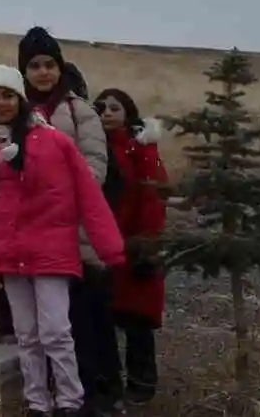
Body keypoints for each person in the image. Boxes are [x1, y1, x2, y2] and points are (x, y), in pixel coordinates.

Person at [0, 65, 126, 417]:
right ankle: (38, 402)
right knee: (27, 335)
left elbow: (88, 195)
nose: (1, 103)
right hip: (10, 253)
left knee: (56, 331)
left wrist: (109, 247)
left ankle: (70, 400)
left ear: (20, 98)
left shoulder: (54, 140)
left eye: (7, 95)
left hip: (52, 251)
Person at [19, 26, 118, 414]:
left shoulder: (80, 111)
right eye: (34, 66)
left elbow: (95, 168)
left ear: (60, 67)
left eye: (49, 64)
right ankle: (48, 397)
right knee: (39, 326)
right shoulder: (17, 112)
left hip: (75, 231)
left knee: (83, 321)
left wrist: (57, 195)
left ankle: (95, 397)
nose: (43, 73)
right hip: (32, 234)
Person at [95, 87, 169, 405]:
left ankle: (141, 385)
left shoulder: (141, 150)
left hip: (136, 245)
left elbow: (153, 197)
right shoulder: (93, 148)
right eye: (102, 108)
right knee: (103, 319)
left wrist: (145, 243)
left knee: (137, 319)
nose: (108, 113)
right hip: (101, 244)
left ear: (128, 113)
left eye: (115, 108)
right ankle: (108, 386)